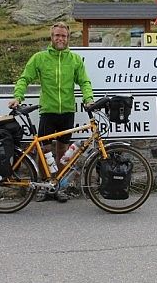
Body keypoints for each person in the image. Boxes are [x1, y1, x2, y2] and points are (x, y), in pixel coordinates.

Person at [8, 22, 94, 202]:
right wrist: (18, 97)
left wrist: (88, 99)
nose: (60, 38)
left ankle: (59, 186)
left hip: (67, 111)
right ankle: (43, 184)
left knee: (63, 152)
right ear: (51, 37)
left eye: (63, 36)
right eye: (57, 35)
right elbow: (25, 78)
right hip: (48, 111)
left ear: (68, 38)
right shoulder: (40, 58)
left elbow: (84, 82)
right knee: (43, 150)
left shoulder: (75, 60)